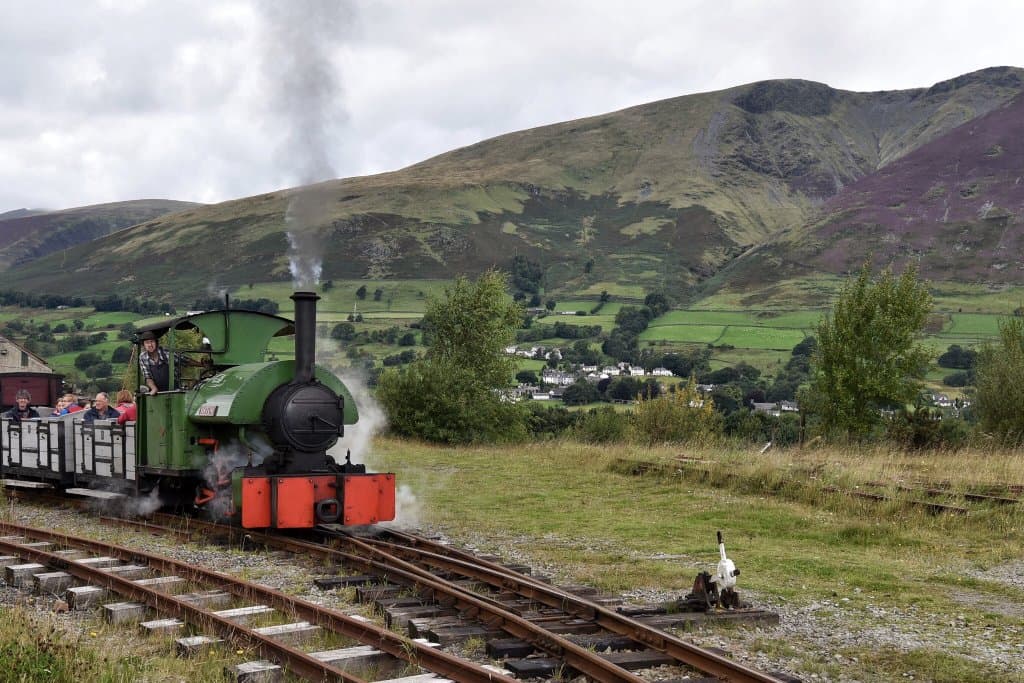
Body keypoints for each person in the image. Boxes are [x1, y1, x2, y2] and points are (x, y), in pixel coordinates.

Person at [138, 330, 205, 395]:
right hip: (158, 393)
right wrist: (154, 388)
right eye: (147, 342)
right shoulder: (142, 357)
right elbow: (147, 377)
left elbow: (185, 360)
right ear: (143, 345)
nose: (150, 345)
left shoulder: (166, 354)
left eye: (152, 341)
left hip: (174, 391)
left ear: (156, 342)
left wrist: (202, 365)